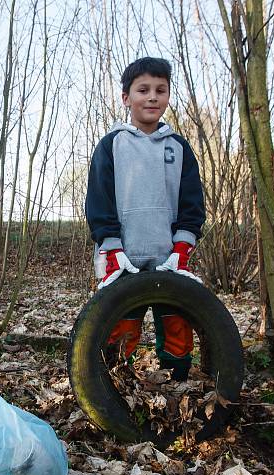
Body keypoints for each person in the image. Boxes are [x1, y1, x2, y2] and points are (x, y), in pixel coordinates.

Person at [85, 57, 206, 381]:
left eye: (160, 90)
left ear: (168, 96)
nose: (152, 97)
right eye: (143, 90)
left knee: (177, 325)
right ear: (126, 97)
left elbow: (192, 203)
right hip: (124, 259)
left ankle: (177, 385)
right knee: (120, 327)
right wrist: (111, 246)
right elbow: (99, 200)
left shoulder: (178, 147)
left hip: (169, 259)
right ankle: (115, 384)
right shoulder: (112, 145)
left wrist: (182, 247)